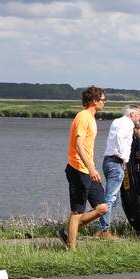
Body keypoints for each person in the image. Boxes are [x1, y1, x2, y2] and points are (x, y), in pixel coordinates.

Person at [61, 86, 110, 250]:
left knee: (102, 208)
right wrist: (91, 168)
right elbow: (78, 145)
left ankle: (67, 231)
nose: (104, 102)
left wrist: (91, 168)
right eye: (103, 99)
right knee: (77, 212)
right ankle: (71, 247)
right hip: (78, 169)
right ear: (94, 101)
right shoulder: (83, 117)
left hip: (88, 169)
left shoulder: (91, 118)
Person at [96, 103, 140, 239]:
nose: (139, 117)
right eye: (139, 114)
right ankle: (103, 230)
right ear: (132, 114)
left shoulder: (117, 121)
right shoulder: (128, 124)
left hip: (108, 161)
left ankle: (101, 224)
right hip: (116, 162)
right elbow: (120, 137)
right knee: (110, 198)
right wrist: (124, 158)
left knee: (113, 198)